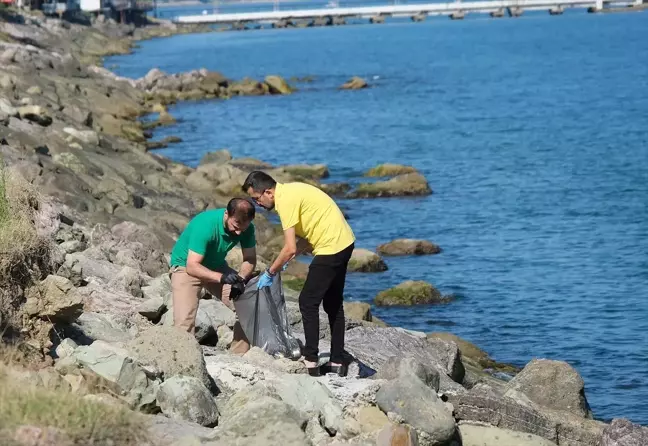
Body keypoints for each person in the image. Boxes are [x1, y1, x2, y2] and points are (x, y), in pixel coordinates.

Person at [242, 171, 355, 376]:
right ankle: (337, 361)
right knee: (333, 303)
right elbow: (306, 237)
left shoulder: (285, 202)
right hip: (345, 241)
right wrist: (287, 260)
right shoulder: (291, 192)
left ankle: (311, 359)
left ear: (268, 192)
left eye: (257, 198)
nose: (257, 203)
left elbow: (290, 247)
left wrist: (271, 271)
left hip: (331, 247)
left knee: (307, 302)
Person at [169, 198, 256, 354]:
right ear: (226, 214)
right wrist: (221, 278)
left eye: (243, 229)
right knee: (184, 324)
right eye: (235, 226)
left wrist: (241, 279)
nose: (238, 233)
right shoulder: (206, 225)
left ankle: (239, 355)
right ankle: (184, 359)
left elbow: (250, 259)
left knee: (248, 304)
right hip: (185, 267)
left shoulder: (246, 228)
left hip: (215, 264)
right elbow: (192, 266)